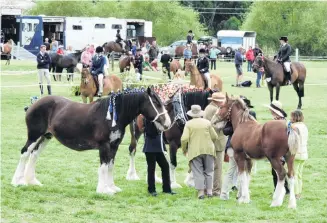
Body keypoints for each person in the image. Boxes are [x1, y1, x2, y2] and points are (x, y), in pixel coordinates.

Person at [220, 96, 256, 200]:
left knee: (242, 170)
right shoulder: (232, 116)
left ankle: (240, 193)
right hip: (233, 146)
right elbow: (225, 130)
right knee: (233, 170)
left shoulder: (250, 115)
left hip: (244, 147)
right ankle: (225, 193)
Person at [181, 105, 218, 199]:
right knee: (209, 171)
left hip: (195, 151)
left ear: (191, 114)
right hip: (209, 150)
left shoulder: (188, 124)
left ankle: (201, 193)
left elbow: (184, 139)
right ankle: (209, 192)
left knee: (198, 172)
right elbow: (215, 137)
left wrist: (184, 149)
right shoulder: (207, 122)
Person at [141, 117, 176, 196]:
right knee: (151, 169)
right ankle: (151, 190)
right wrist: (160, 128)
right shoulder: (148, 119)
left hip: (159, 148)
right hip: (150, 148)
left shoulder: (159, 120)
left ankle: (167, 189)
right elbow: (150, 132)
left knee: (165, 166)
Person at [204, 92, 228, 196]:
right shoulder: (215, 110)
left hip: (209, 141)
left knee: (210, 166)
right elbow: (214, 126)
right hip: (217, 142)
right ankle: (216, 190)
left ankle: (207, 188)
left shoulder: (208, 107)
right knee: (218, 168)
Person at [264, 101, 290, 194]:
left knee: (276, 171)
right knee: (278, 170)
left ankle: (280, 190)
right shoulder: (282, 120)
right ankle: (285, 189)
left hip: (278, 150)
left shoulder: (277, 122)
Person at [289, 110, 308, 200]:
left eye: (291, 116)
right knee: (299, 174)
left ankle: (296, 194)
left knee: (295, 174)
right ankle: (299, 192)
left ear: (294, 117)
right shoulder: (304, 126)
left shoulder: (294, 127)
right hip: (304, 153)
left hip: (296, 154)